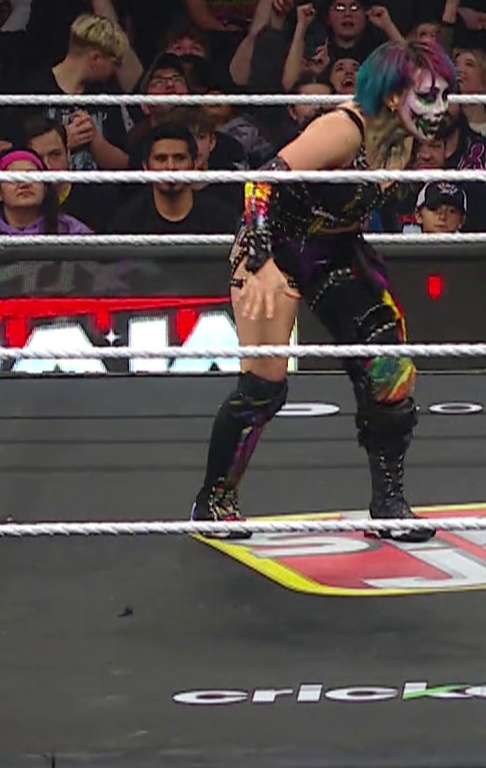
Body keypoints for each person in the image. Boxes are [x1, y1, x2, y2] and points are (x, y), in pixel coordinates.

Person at [191, 40, 458, 543]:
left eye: (444, 96)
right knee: (263, 388)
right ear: (394, 96)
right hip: (274, 246)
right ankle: (213, 501)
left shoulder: (401, 140)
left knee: (390, 368)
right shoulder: (343, 128)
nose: (439, 109)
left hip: (335, 251)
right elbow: (262, 182)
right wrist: (261, 261)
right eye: (427, 97)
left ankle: (389, 505)